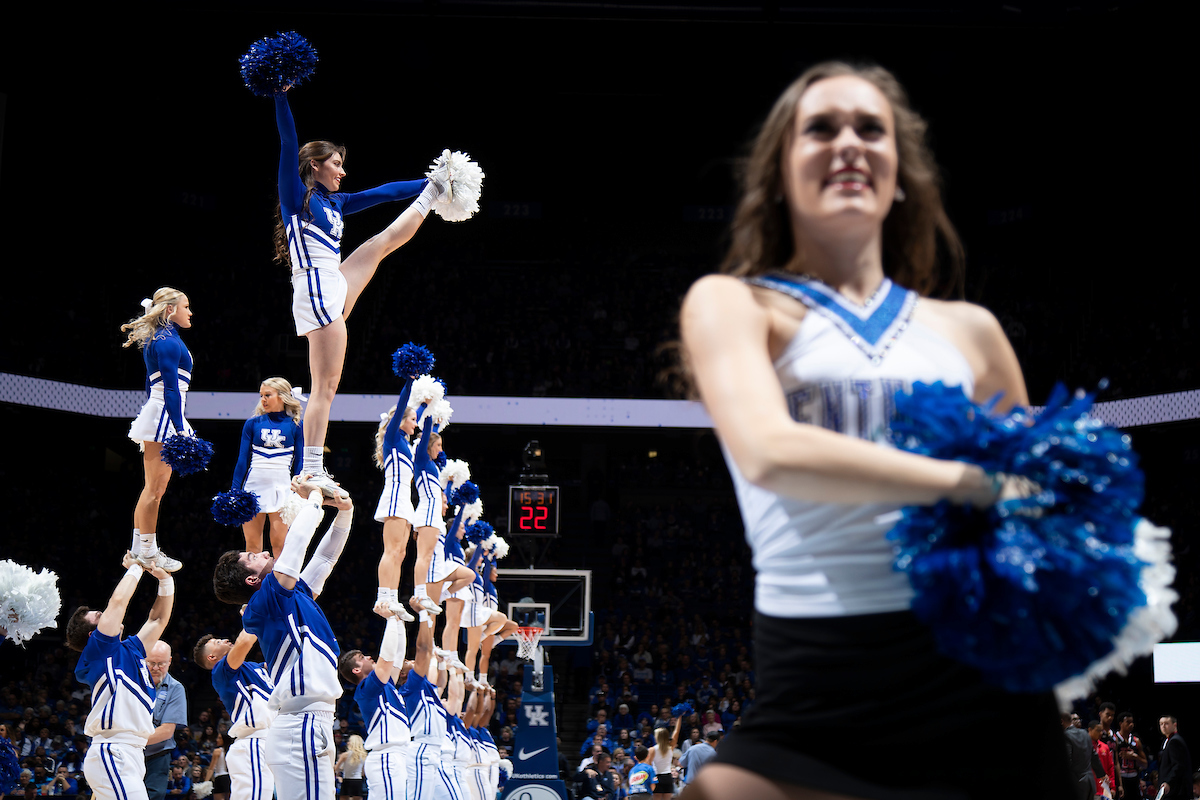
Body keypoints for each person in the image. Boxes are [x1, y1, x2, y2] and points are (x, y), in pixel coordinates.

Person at [677, 60, 1073, 800]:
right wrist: (973, 482)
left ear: (900, 174)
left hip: (977, 672)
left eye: (871, 129)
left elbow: (1035, 510)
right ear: (780, 171)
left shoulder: (972, 331)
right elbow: (769, 452)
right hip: (815, 678)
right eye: (820, 129)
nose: (849, 143)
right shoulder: (734, 305)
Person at [272, 87, 450, 498]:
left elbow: (385, 192)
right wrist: (280, 96)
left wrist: (432, 180)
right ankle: (311, 468)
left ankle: (433, 195)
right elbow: (286, 142)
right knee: (326, 386)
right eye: (336, 164)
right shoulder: (296, 197)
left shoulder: (337, 202)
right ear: (314, 165)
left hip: (332, 278)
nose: (342, 171)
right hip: (314, 286)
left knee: (381, 242)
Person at [211, 475, 354, 800]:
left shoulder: (287, 594)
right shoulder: (265, 599)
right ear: (252, 579)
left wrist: (344, 512)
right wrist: (313, 498)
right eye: (254, 557)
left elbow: (324, 558)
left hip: (310, 720)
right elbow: (297, 543)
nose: (261, 552)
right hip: (300, 723)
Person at [65, 552, 175, 800]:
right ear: (94, 635)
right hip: (113, 751)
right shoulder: (98, 651)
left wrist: (164, 579)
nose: (106, 614)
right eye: (99, 616)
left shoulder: (132, 649)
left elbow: (158, 619)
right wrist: (137, 566)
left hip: (133, 752)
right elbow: (117, 603)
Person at [121, 288, 194, 572]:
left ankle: (140, 548)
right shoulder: (166, 341)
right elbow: (171, 389)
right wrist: (179, 428)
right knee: (155, 489)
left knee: (151, 488)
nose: (190, 312)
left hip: (160, 411)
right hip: (165, 412)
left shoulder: (164, 339)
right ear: (170, 310)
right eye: (186, 306)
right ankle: (149, 551)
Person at [192, 631, 276, 800]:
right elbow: (245, 641)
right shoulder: (221, 671)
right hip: (253, 741)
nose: (224, 639)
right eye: (217, 642)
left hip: (273, 740)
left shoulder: (255, 667)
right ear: (212, 657)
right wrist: (254, 612)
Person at [337, 611, 411, 800]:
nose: (369, 657)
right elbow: (386, 660)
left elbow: (396, 658)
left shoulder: (385, 684)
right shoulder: (365, 689)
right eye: (363, 657)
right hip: (387, 757)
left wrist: (398, 621)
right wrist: (389, 621)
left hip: (399, 755)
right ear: (357, 670)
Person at [229, 378, 305, 554]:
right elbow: (242, 460)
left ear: (282, 397)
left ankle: (279, 582)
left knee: (280, 545)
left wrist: (298, 488)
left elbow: (300, 461)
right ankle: (254, 581)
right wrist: (235, 490)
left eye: (267, 395)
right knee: (252, 546)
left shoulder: (296, 425)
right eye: (261, 395)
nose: (263, 399)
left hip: (283, 488)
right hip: (254, 487)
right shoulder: (252, 423)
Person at [373, 370, 422, 620]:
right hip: (394, 495)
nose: (416, 423)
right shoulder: (393, 437)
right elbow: (404, 404)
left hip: (405, 499)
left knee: (401, 554)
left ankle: (392, 597)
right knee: (391, 551)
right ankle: (383, 597)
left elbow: (413, 412)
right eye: (413, 419)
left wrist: (424, 404)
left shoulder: (405, 441)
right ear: (401, 421)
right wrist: (410, 381)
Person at [143, 642, 188, 800]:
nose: (155, 668)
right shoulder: (132, 682)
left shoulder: (176, 688)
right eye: (151, 663)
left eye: (161, 663)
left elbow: (166, 731)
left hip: (157, 755)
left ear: (169, 661)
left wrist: (131, 740)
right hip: (129, 753)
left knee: (154, 796)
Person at [1112, 713, 1147, 800]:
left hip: (1134, 779)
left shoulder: (1136, 740)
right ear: (1121, 723)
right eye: (1128, 722)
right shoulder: (1114, 739)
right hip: (1120, 779)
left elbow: (1145, 764)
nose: (1131, 724)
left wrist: (1135, 757)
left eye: (1132, 722)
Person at [648, 715, 681, 799]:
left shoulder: (652, 749)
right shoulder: (670, 747)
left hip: (656, 777)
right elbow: (676, 732)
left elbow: (648, 766)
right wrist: (679, 717)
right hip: (668, 777)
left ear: (657, 737)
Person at [1158, 716, 1191, 798]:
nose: (1163, 726)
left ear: (1174, 725)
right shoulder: (1169, 740)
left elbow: (1178, 765)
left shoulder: (1175, 741)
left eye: (1166, 724)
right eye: (1161, 724)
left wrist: (1168, 782)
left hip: (1175, 790)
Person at [1088, 721, 1116, 798]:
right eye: (1098, 730)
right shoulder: (1084, 746)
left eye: (1101, 731)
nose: (1100, 733)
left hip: (1103, 789)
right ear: (1090, 730)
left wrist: (1113, 787)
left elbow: (1110, 767)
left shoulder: (1105, 747)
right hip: (1087, 788)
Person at [335, 735, 367, 800]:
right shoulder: (364, 756)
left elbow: (336, 769)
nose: (347, 743)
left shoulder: (345, 755)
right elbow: (363, 773)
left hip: (347, 780)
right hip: (358, 781)